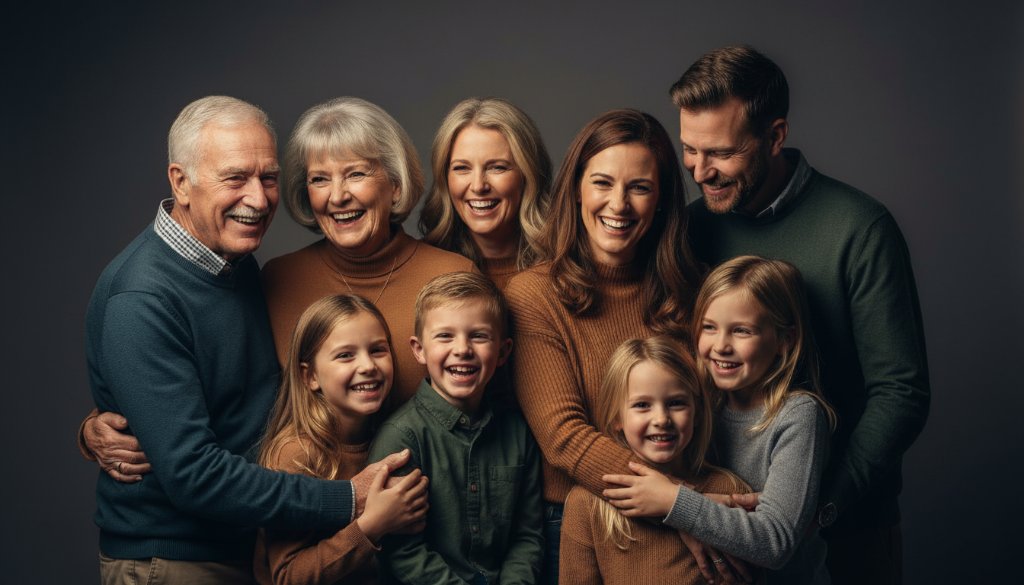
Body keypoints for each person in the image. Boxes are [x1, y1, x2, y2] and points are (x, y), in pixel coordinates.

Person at [84, 96, 407, 584]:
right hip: (176, 562)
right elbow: (193, 474)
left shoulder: (233, 265)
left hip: (247, 547)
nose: (258, 199)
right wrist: (348, 499)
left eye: (269, 177)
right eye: (235, 178)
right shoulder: (142, 295)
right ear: (180, 182)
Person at [672, 45, 930, 584]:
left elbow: (900, 392)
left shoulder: (859, 228)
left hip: (848, 527)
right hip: (726, 526)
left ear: (775, 135)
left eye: (720, 152)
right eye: (690, 151)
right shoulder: (693, 229)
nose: (700, 171)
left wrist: (819, 509)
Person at [503, 109, 703, 583]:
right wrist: (685, 505)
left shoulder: (693, 294)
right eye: (602, 183)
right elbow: (563, 436)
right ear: (576, 189)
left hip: (692, 505)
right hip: (580, 521)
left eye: (639, 187)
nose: (619, 204)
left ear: (661, 201)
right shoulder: (533, 295)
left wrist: (690, 507)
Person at [605, 257, 836, 584]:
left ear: (785, 340)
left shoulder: (798, 416)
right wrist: (704, 508)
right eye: (709, 327)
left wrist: (676, 501)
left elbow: (775, 542)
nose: (721, 346)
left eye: (742, 331)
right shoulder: (699, 404)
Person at [261, 97, 477, 407]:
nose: (337, 196)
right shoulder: (279, 280)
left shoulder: (454, 275)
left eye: (356, 174)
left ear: (396, 185)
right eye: (319, 179)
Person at [368, 272, 544, 585]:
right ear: (419, 350)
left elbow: (527, 536)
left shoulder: (517, 431)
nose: (462, 349)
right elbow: (402, 551)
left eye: (478, 336)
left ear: (503, 352)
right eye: (445, 336)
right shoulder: (401, 437)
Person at [254, 294, 429, 585]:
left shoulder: (393, 437)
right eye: (346, 355)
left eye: (377, 350)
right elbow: (286, 577)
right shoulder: (297, 453)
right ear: (310, 377)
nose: (368, 366)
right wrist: (370, 526)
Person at [559, 336, 747, 585]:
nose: (661, 419)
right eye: (642, 405)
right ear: (617, 418)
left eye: (676, 403)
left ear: (698, 413)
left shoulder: (727, 491)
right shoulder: (586, 504)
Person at [419, 97, 552, 289]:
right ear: (444, 177)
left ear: (528, 175)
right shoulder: (424, 268)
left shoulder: (567, 268)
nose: (478, 186)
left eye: (497, 167)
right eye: (462, 168)